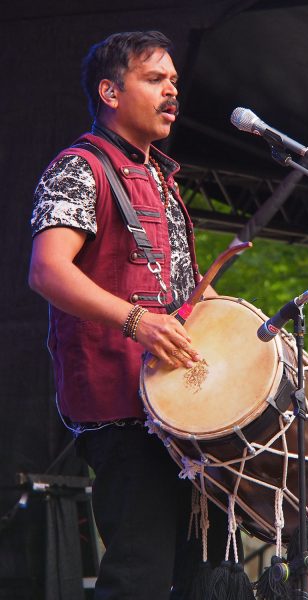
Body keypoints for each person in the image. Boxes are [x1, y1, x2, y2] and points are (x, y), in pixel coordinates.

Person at [29, 31, 232, 600]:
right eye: (155, 78)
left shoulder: (165, 181)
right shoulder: (79, 166)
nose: (172, 90)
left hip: (185, 409)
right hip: (122, 410)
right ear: (110, 92)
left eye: (174, 80)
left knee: (206, 574)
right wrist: (138, 322)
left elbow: (193, 294)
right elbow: (47, 270)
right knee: (138, 576)